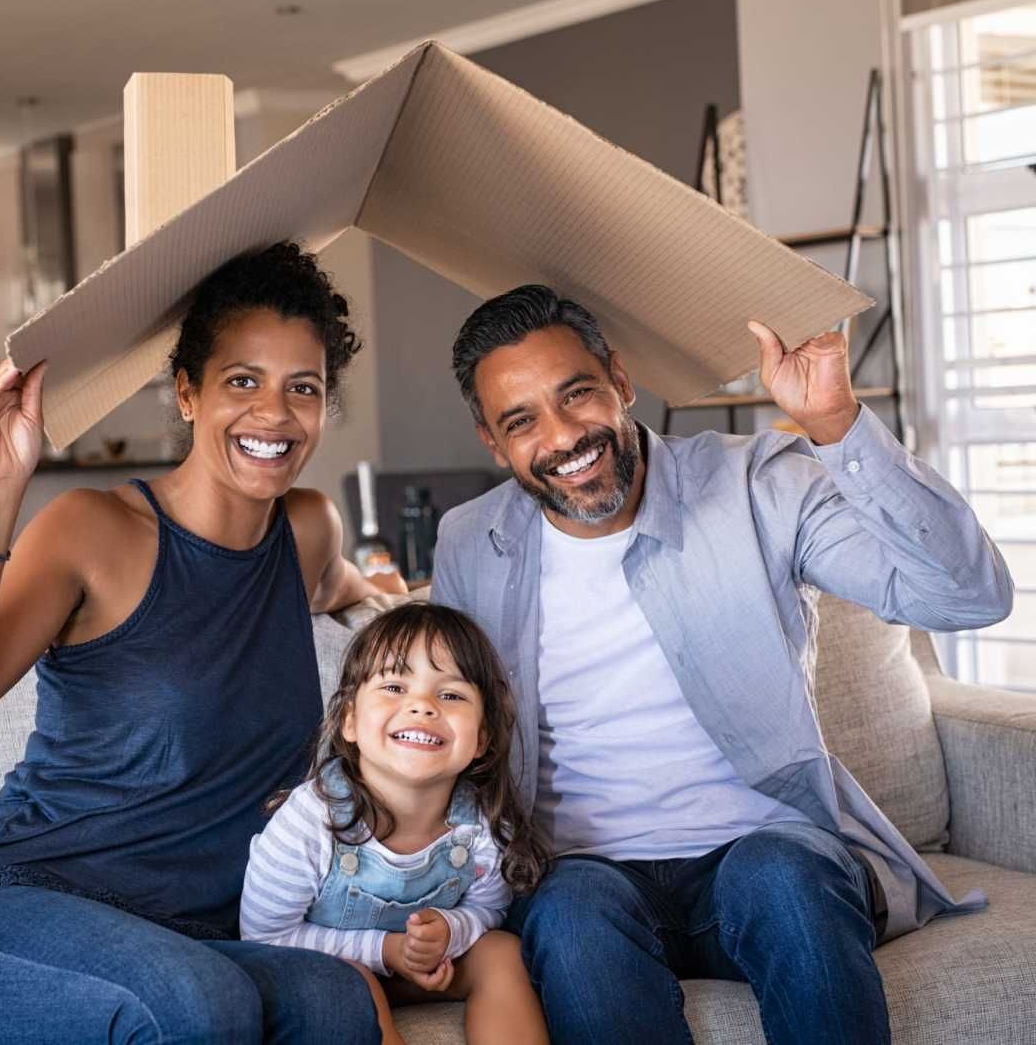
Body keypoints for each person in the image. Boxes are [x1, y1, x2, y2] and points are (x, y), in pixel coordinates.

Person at [430, 284, 1013, 1045]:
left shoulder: (758, 484)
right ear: (492, 441)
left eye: (577, 396)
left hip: (765, 850)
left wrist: (836, 423)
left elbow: (969, 597)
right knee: (569, 913)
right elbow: (442, 727)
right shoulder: (470, 541)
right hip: (587, 877)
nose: (564, 436)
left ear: (621, 380)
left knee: (782, 877)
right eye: (523, 421)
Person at [0, 242, 405, 1045]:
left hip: (189, 937)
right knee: (199, 1007)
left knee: (337, 1002)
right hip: (11, 909)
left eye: (300, 388)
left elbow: (348, 586)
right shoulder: (93, 531)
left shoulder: (306, 529)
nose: (273, 414)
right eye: (243, 381)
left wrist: (394, 599)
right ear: (187, 393)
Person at [240, 601, 550, 1045]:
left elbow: (489, 909)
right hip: (330, 974)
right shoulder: (311, 821)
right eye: (394, 686)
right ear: (348, 719)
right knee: (355, 982)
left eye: (451, 695)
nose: (422, 706)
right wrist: (385, 952)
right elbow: (264, 937)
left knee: (501, 953)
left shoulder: (479, 825)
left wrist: (450, 929)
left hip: (427, 967)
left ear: (482, 737)